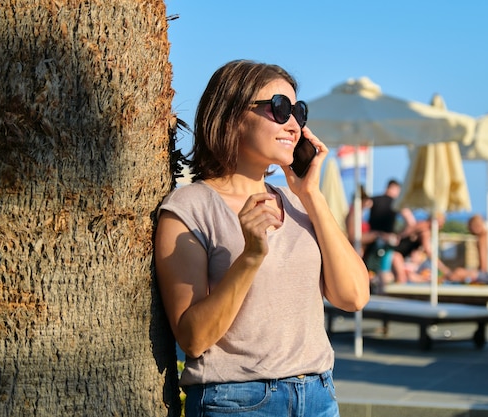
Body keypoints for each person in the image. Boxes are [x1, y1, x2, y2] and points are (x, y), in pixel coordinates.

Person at [154, 60, 370, 417]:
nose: (293, 125)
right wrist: (250, 257)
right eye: (279, 108)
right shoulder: (189, 207)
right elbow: (193, 339)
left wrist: (312, 195)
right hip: (237, 402)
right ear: (232, 114)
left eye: (299, 112)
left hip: (318, 395)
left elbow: (354, 295)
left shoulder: (300, 203)